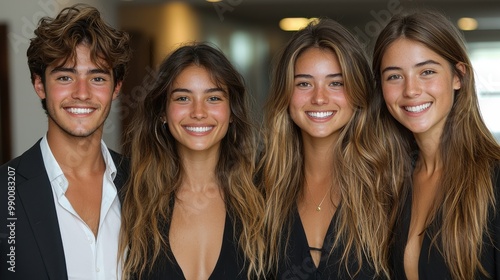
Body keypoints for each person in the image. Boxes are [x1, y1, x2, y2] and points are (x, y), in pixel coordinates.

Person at [259, 18, 400, 279]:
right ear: (285, 93)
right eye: (304, 83)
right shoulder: (259, 186)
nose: (319, 97)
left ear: (358, 91)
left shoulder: (391, 182)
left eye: (336, 83)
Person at [0, 3, 132, 280]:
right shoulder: (4, 191)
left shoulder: (144, 183)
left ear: (116, 88)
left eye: (97, 77)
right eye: (65, 77)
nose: (81, 93)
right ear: (39, 85)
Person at [119, 42, 265, 280]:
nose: (198, 112)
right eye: (183, 98)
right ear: (162, 112)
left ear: (231, 113)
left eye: (214, 98)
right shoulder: (130, 198)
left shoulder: (263, 200)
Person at [372, 10, 500, 280]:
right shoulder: (389, 182)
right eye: (394, 76)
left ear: (458, 77)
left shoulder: (494, 178)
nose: (410, 90)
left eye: (427, 71)